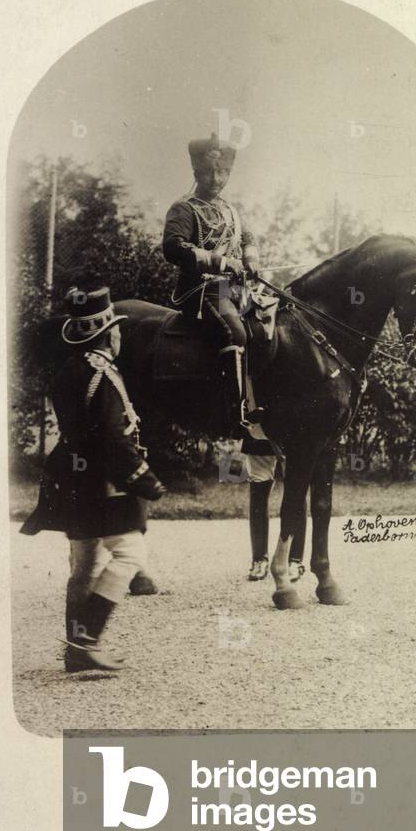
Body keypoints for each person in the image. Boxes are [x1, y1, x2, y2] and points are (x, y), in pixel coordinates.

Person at [21, 286, 165, 672]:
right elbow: (112, 438)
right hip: (101, 481)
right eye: (117, 329)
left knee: (83, 566)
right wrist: (144, 479)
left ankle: (76, 650)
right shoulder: (103, 374)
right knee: (131, 554)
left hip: (70, 476)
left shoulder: (69, 370)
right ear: (108, 334)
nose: (120, 335)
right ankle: (85, 641)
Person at [162, 133, 261, 432]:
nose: (216, 178)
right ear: (196, 173)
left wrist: (251, 260)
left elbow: (247, 237)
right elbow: (173, 247)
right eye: (209, 172)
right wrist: (221, 262)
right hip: (200, 289)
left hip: (234, 290)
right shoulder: (184, 208)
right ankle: (233, 413)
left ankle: (261, 403)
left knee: (268, 328)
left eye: (222, 172)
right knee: (236, 333)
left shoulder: (231, 209)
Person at [241, 431, 307, 583]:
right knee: (258, 490)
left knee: (297, 489)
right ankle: (259, 559)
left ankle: (295, 560)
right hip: (261, 431)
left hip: (295, 431)